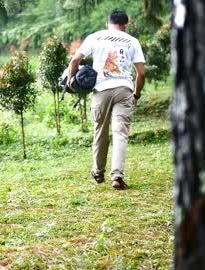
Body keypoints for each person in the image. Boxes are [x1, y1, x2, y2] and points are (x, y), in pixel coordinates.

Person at [66, 9, 146, 190]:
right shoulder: (132, 41)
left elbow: (74, 61)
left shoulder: (96, 37)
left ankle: (98, 171)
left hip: (101, 90)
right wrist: (136, 94)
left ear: (108, 23)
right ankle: (117, 176)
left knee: (100, 132)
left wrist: (71, 82)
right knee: (120, 134)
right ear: (126, 24)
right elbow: (141, 73)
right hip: (124, 90)